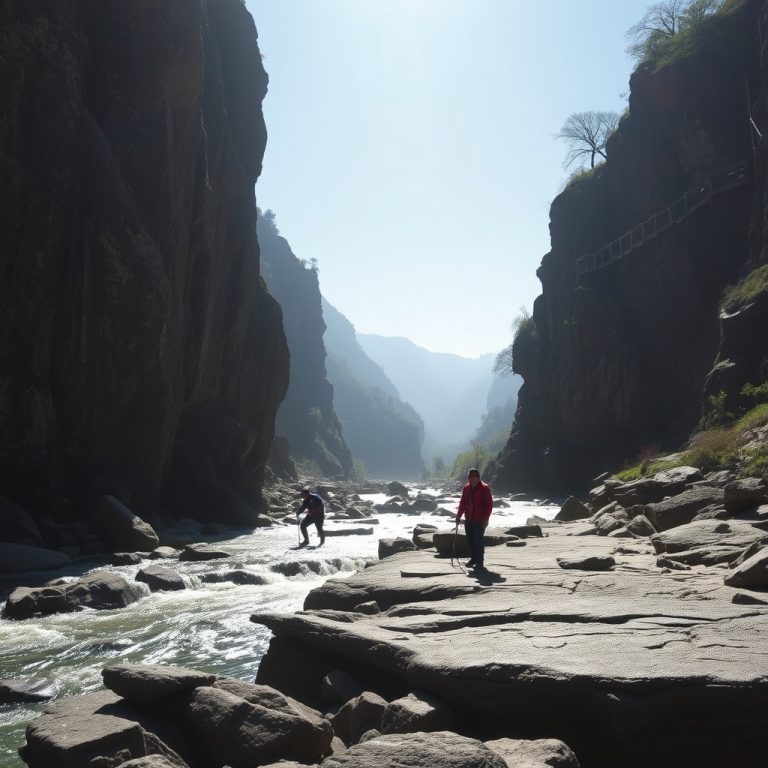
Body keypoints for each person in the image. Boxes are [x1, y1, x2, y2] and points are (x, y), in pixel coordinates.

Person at [455, 468, 493, 571]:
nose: (472, 479)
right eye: (470, 477)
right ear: (468, 478)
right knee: (470, 540)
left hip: (480, 520)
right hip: (469, 519)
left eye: (474, 476)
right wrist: (458, 515)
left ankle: (479, 561)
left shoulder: (484, 488)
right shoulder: (466, 488)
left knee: (478, 540)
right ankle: (473, 559)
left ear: (478, 477)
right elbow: (462, 503)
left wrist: (485, 519)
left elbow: (489, 505)